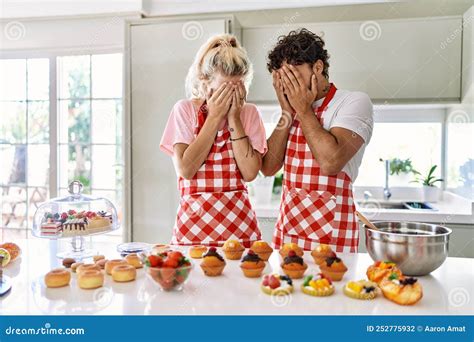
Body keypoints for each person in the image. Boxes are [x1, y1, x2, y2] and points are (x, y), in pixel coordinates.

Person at [262, 28, 374, 252]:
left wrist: (302, 111)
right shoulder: (292, 110)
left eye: (293, 75)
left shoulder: (353, 102)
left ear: (318, 67)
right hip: (288, 237)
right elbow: (268, 167)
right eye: (283, 78)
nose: (288, 84)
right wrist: (286, 112)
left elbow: (330, 162)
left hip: (333, 240)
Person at [160, 34, 267, 247]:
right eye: (226, 87)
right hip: (193, 232)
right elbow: (186, 169)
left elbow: (250, 172)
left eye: (238, 87)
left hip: (240, 230)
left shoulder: (249, 113)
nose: (232, 94)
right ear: (205, 82)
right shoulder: (185, 110)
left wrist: (234, 117)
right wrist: (215, 116)